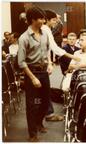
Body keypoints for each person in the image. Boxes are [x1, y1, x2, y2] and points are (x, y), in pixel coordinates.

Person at [17, 7, 52, 142]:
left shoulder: (45, 34)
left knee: (45, 102)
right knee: (31, 105)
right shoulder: (24, 38)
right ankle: (32, 134)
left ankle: (38, 122)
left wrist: (49, 63)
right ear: (33, 20)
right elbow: (21, 62)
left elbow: (47, 50)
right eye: (41, 18)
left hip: (44, 72)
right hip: (31, 72)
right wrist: (32, 78)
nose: (44, 20)